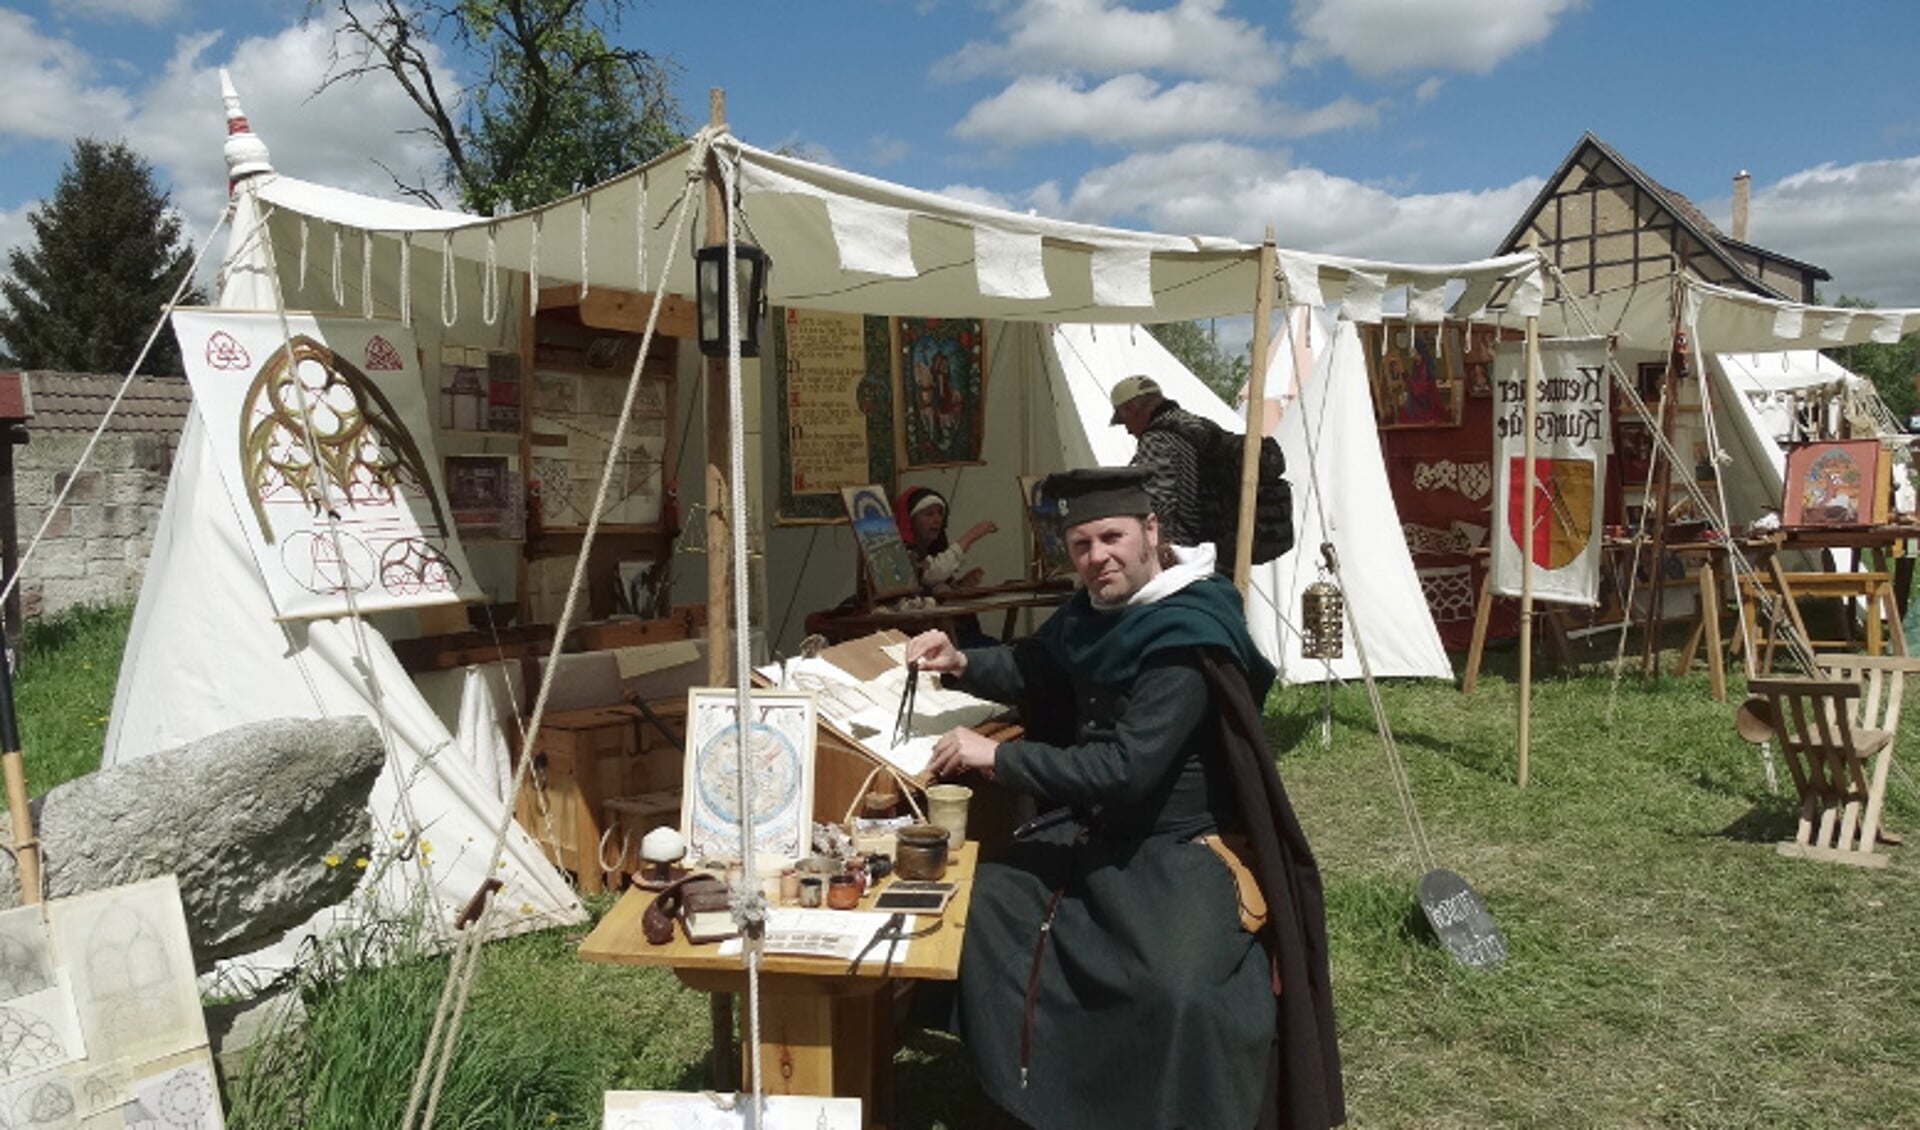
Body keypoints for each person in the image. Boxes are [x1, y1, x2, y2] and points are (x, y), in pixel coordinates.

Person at [905, 466, 1344, 1130]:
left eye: (1111, 537)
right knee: (983, 908)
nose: (1096, 558)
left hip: (1176, 842)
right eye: (1080, 545)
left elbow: (1126, 770)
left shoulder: (1187, 629)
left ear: (1151, 532)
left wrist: (999, 756)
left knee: (1177, 993)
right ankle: (1033, 1100)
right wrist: (961, 660)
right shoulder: (1096, 610)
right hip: (1091, 829)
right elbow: (1038, 665)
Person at [1109, 374, 1208, 548]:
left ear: (1131, 408)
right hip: (1219, 542)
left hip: (1185, 549)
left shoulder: (1155, 439)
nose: (1128, 431)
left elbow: (1157, 505)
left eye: (1125, 421)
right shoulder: (1197, 424)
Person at [893, 485, 996, 593]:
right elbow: (932, 574)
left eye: (940, 513)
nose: (937, 519)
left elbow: (937, 590)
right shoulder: (901, 552)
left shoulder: (934, 549)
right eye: (929, 514)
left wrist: (961, 585)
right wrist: (970, 536)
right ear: (911, 520)